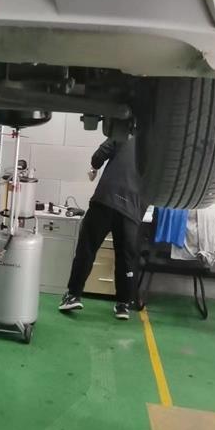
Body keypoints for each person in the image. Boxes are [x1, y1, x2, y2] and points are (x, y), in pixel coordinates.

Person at [59, 136, 145, 320]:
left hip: (106, 199)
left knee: (87, 248)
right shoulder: (159, 147)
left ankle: (73, 295)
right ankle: (123, 305)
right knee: (126, 258)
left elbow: (100, 154)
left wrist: (94, 167)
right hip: (131, 209)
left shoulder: (124, 132)